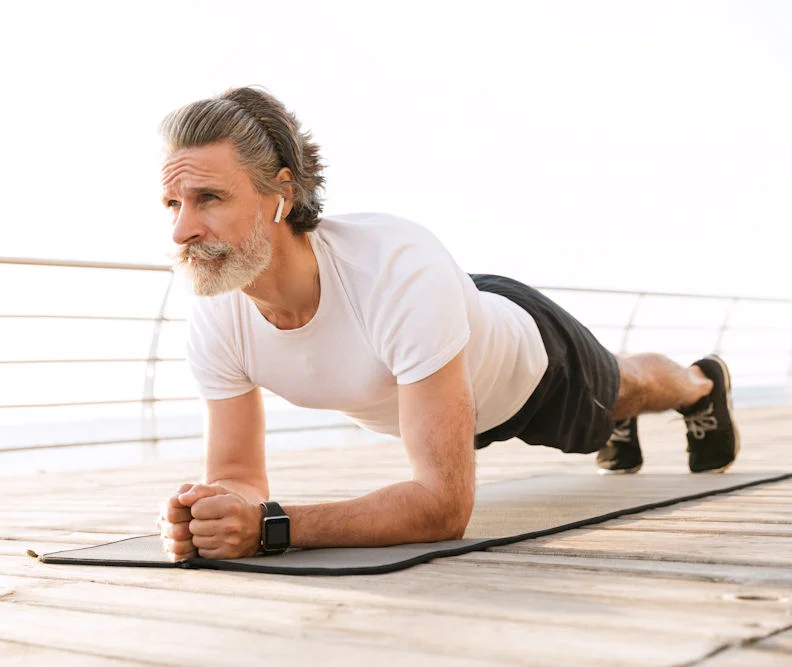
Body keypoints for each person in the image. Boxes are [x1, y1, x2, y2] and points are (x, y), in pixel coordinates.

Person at [154, 86, 740, 562]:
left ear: (280, 193)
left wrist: (272, 528)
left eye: (208, 198)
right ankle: (622, 418)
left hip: (529, 369)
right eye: (173, 206)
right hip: (444, 351)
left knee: (625, 386)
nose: (182, 231)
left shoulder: (394, 269)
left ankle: (701, 383)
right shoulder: (216, 315)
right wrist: (213, 512)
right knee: (614, 404)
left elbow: (443, 507)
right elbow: (235, 474)